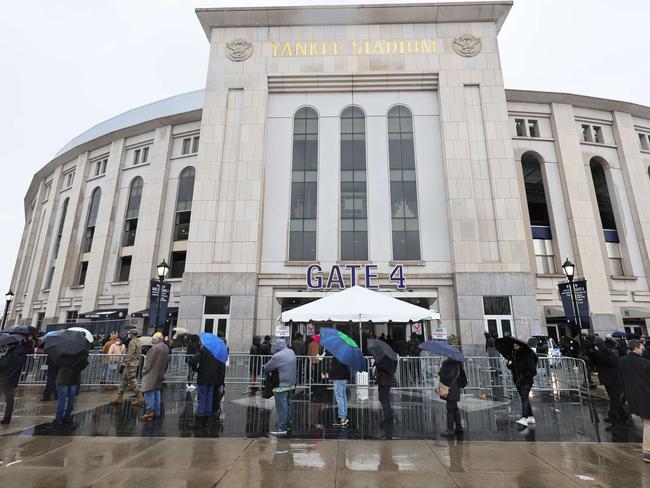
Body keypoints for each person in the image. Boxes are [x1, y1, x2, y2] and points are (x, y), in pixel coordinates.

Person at [618, 339, 650, 463]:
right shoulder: (645, 363)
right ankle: (647, 451)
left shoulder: (621, 361)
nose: (642, 348)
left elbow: (621, 378)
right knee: (648, 423)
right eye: (641, 346)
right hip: (645, 395)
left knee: (645, 421)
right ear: (636, 348)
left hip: (632, 396)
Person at [588, 339, 629, 427]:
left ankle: (614, 416)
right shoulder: (599, 354)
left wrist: (598, 353)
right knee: (614, 399)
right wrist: (591, 352)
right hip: (607, 379)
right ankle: (624, 416)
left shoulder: (609, 353)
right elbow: (593, 362)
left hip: (614, 380)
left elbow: (612, 362)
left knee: (615, 400)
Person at [263, 339, 297, 437]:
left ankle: (281, 428)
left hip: (281, 385)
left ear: (277, 346)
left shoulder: (277, 356)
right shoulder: (291, 352)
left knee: (281, 408)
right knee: (288, 405)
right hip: (291, 384)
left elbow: (267, 368)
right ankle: (288, 425)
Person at [189, 337, 223, 426]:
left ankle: (200, 418)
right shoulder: (216, 352)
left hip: (203, 377)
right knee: (209, 397)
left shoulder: (202, 350)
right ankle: (207, 418)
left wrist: (196, 369)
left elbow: (193, 361)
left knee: (202, 398)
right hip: (213, 377)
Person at [138, 332, 170, 422]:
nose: (152, 340)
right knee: (157, 392)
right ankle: (157, 412)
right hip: (160, 373)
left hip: (151, 373)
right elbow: (167, 362)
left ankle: (149, 412)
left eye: (153, 339)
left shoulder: (154, 348)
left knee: (149, 392)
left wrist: (144, 371)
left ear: (156, 339)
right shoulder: (165, 347)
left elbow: (148, 363)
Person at [53, 350, 89, 425]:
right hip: (74, 378)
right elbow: (84, 365)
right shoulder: (81, 354)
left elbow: (56, 364)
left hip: (63, 377)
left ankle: (59, 418)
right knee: (71, 399)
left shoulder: (62, 353)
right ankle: (67, 416)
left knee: (62, 399)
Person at [506, 342, 537, 426]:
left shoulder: (526, 356)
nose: (515, 347)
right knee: (525, 398)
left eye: (517, 346)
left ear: (521, 346)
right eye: (514, 346)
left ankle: (524, 418)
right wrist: (509, 363)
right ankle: (530, 417)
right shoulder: (513, 356)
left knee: (524, 398)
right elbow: (511, 367)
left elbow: (533, 371)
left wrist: (524, 376)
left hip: (526, 381)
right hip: (517, 381)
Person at [110, 329, 144, 407]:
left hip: (130, 364)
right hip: (133, 363)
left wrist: (125, 363)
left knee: (132, 380)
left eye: (129, 334)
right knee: (124, 380)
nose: (128, 335)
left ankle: (140, 396)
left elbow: (130, 354)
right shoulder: (138, 341)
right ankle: (119, 397)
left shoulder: (132, 342)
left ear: (132, 334)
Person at [0, 339, 28, 424]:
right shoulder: (22, 353)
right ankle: (7, 418)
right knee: (9, 400)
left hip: (3, 379)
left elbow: (2, 366)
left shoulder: (10, 354)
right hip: (13, 380)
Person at [438, 357, 467, 436]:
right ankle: (458, 427)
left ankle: (449, 430)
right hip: (455, 389)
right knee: (454, 408)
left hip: (451, 389)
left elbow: (448, 376)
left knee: (450, 409)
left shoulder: (451, 365)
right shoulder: (458, 365)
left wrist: (440, 372)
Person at [327, 355, 350, 428]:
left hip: (338, 378)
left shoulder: (338, 356)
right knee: (343, 396)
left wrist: (329, 373)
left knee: (340, 397)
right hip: (344, 377)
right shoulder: (345, 355)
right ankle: (344, 416)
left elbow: (336, 368)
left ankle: (342, 418)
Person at [375, 359, 397, 424]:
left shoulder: (384, 360)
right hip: (386, 381)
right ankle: (388, 416)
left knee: (383, 399)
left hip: (384, 381)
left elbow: (383, 369)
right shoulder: (391, 359)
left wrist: (377, 363)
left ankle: (388, 418)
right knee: (385, 399)